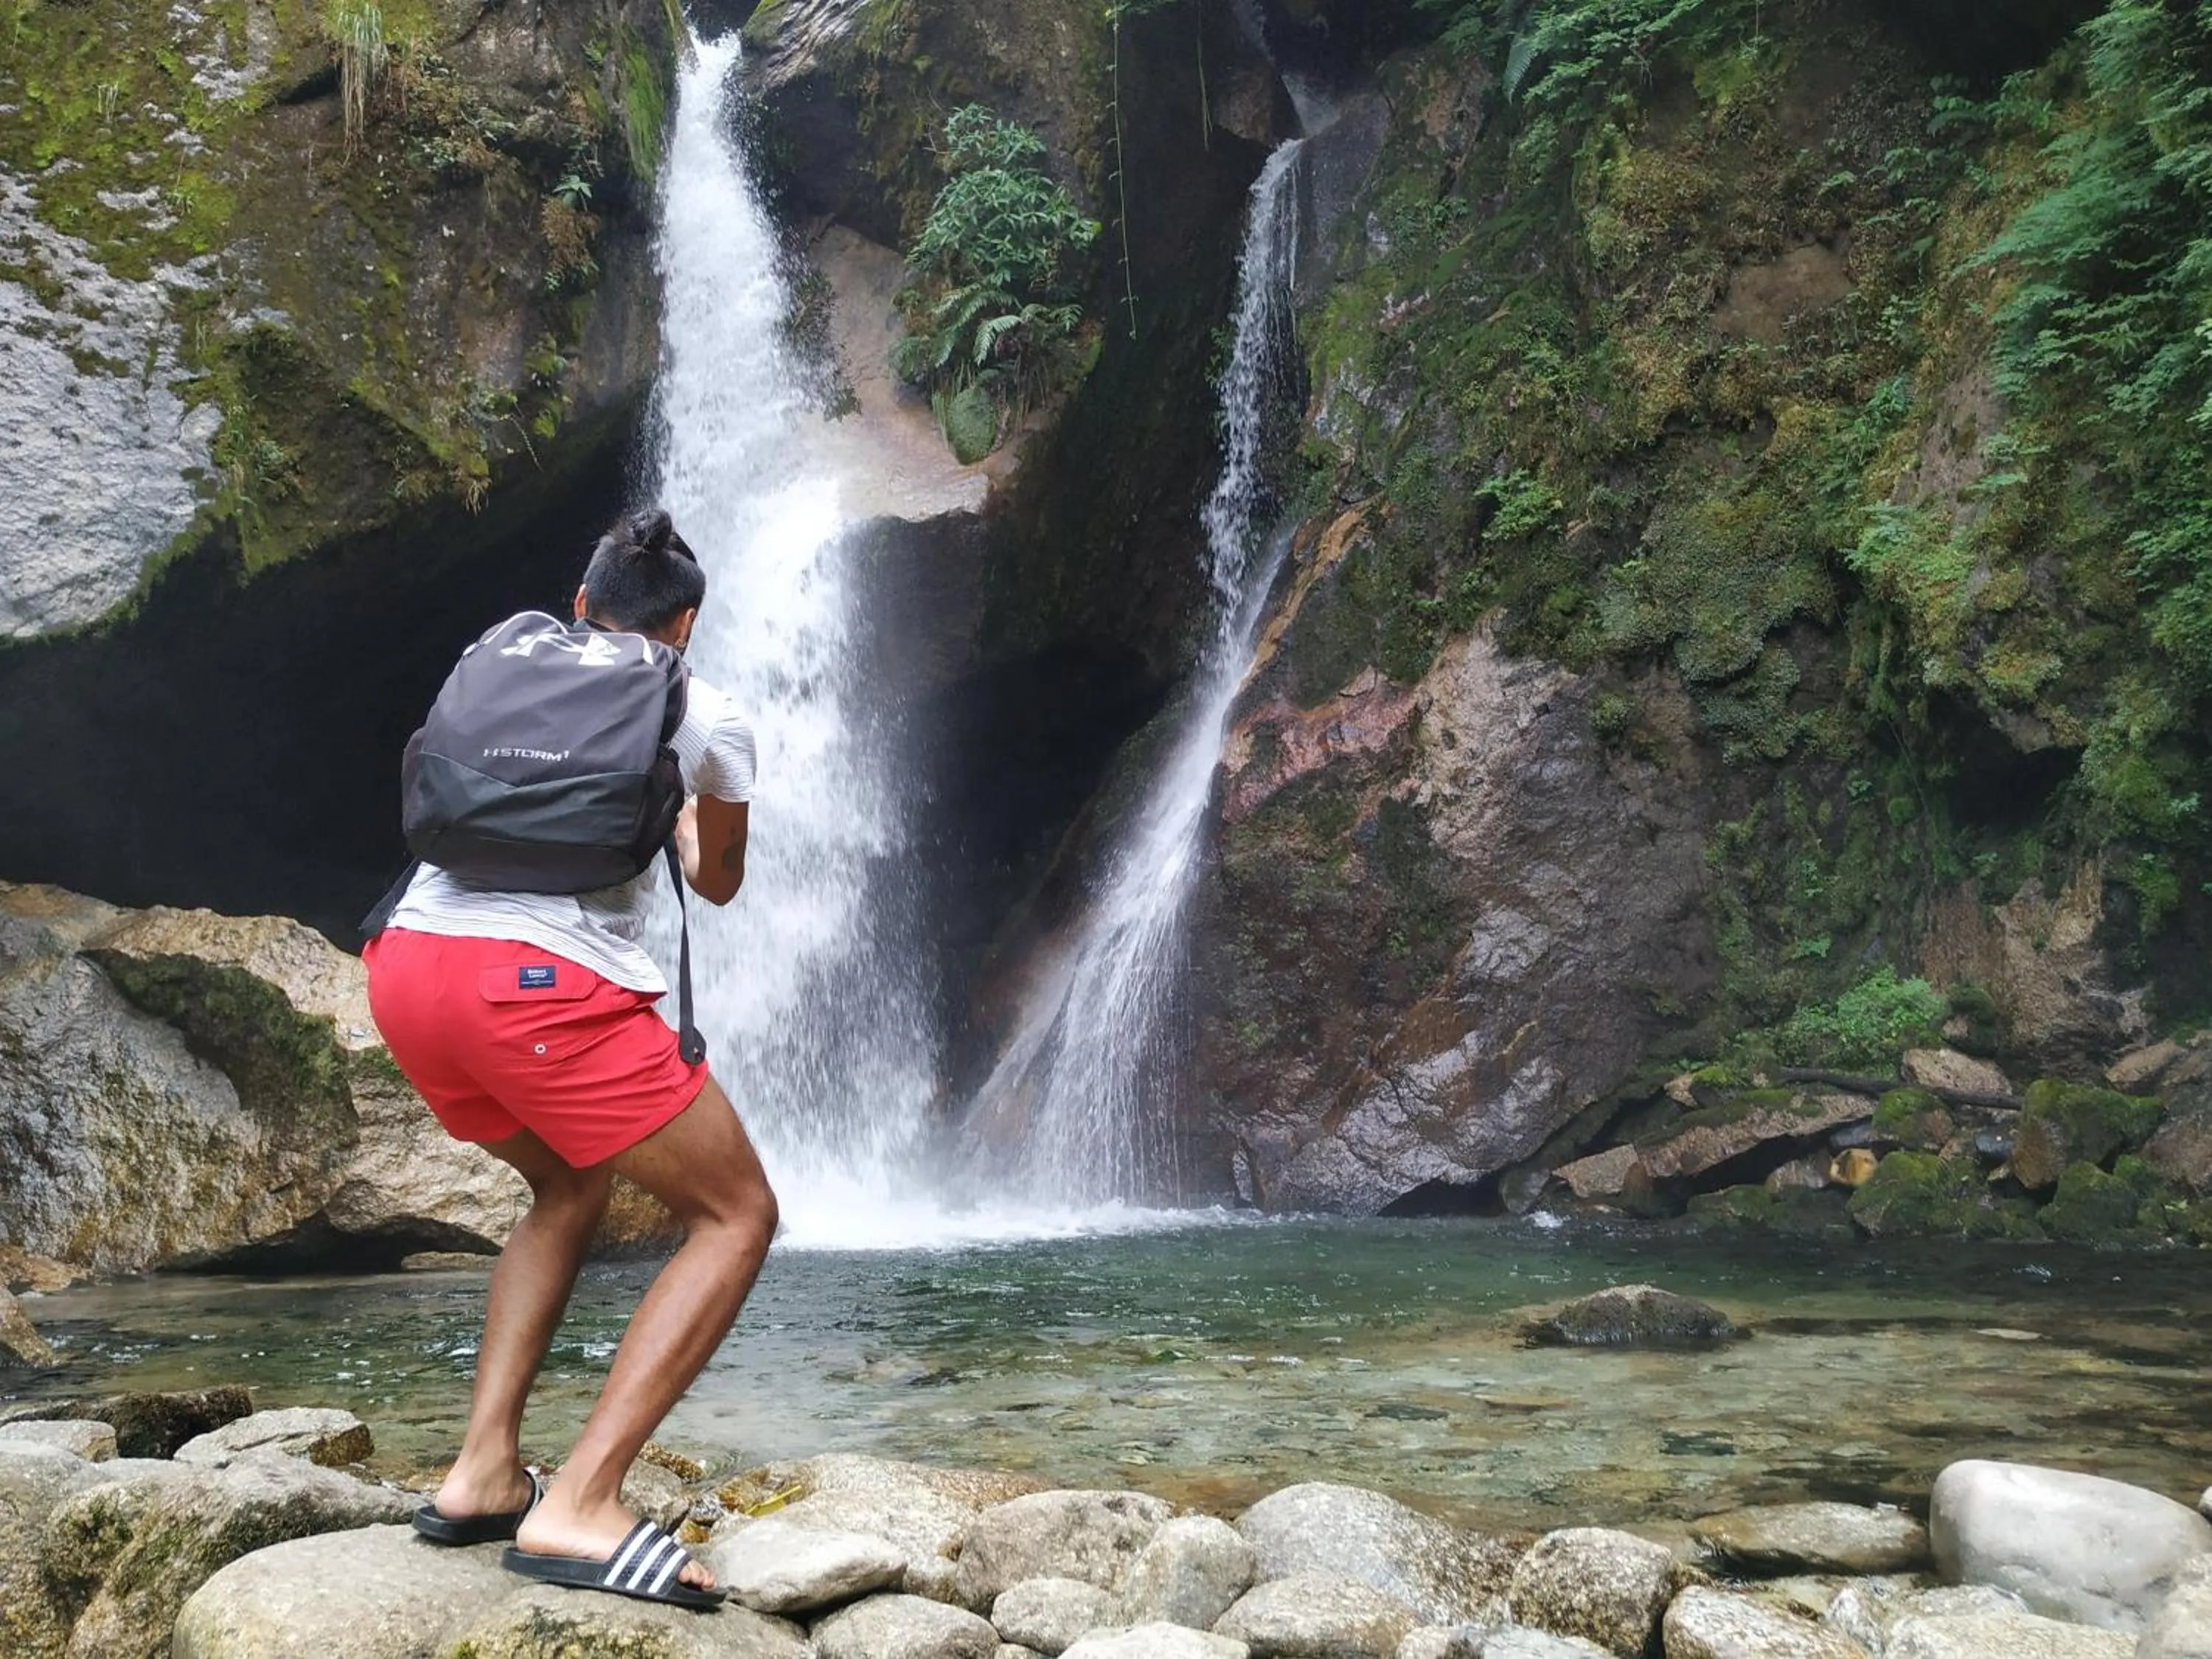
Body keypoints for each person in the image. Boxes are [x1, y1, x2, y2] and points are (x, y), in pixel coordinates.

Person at [363, 507, 773, 1607]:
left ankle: (483, 1470)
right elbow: (719, 879)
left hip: (406, 965)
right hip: (534, 989)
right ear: (684, 625)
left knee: (567, 1180)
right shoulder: (704, 708)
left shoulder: (495, 654)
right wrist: (681, 817)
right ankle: (583, 1501)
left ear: (580, 603)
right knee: (736, 1213)